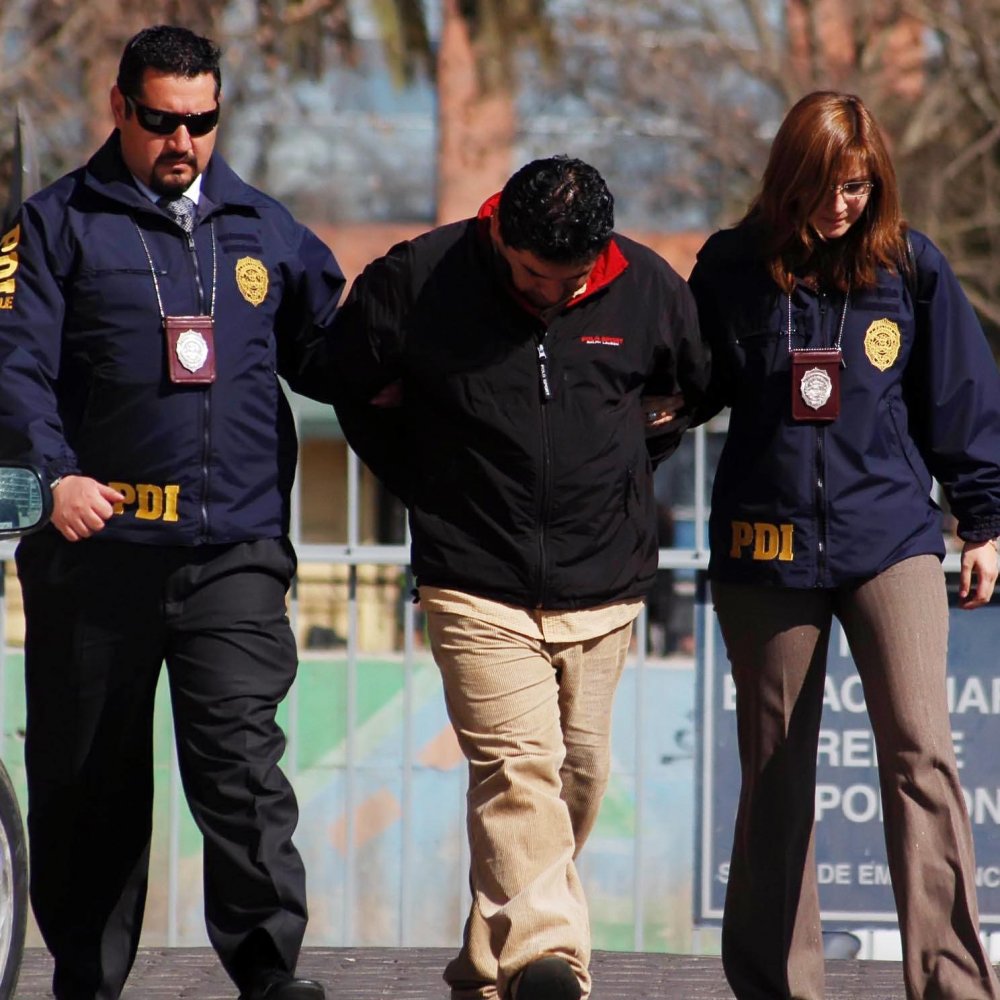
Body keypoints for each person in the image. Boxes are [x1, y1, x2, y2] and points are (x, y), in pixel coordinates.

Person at [0, 25, 345, 1000]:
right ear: (120, 107)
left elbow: (337, 350)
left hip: (233, 550)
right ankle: (88, 977)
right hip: (95, 553)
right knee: (88, 780)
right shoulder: (54, 225)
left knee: (241, 764)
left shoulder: (264, 226)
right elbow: (13, 368)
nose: (182, 141)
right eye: (160, 120)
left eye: (200, 121)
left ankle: (268, 969)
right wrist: (54, 477)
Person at [326, 155, 709, 1000]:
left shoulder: (647, 288)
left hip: (603, 584)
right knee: (518, 770)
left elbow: (691, 390)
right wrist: (425, 479)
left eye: (572, 281)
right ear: (499, 230)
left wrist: (624, 471)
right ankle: (552, 960)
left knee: (578, 776)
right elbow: (341, 378)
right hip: (473, 577)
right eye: (535, 276)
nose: (552, 295)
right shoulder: (420, 279)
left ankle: (490, 966)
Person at [688, 90, 1000, 1000]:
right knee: (776, 771)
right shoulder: (731, 268)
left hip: (890, 537)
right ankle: (779, 985)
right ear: (787, 178)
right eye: (822, 187)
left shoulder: (911, 267)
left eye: (857, 188)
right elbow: (685, 385)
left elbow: (960, 402)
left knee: (922, 752)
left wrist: (984, 521)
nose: (839, 206)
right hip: (766, 548)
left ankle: (952, 984)